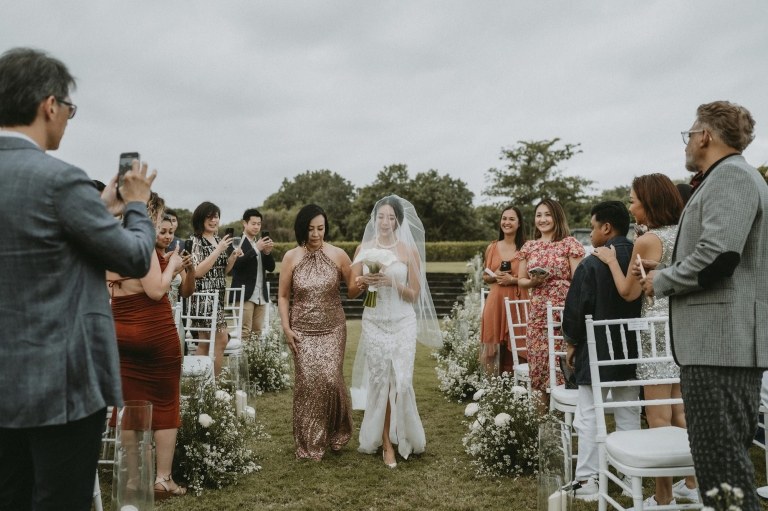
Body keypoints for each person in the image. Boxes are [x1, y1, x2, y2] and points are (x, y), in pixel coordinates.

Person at [0, 48, 156, 511]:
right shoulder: (60, 180)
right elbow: (132, 256)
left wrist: (99, 208)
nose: (68, 118)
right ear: (50, 105)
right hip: (60, 385)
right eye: (69, 108)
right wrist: (135, 205)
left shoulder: (58, 189)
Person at [639, 101, 768, 511]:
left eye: (690, 134)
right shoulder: (728, 177)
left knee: (722, 474)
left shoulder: (730, 177)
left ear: (706, 136)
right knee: (720, 468)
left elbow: (719, 256)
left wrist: (660, 280)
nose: (688, 143)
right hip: (717, 346)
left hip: (721, 347)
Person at [593, 174, 692, 508]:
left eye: (633, 200)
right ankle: (692, 484)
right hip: (682, 331)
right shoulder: (687, 232)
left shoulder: (648, 241)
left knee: (658, 416)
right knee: (680, 412)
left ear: (648, 203)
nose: (631, 205)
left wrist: (610, 262)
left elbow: (627, 291)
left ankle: (663, 497)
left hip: (655, 336)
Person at [349, 196, 442, 467]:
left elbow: (414, 295)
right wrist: (365, 282)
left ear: (398, 220)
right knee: (381, 381)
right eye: (381, 216)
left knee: (401, 381)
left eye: (390, 217)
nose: (385, 222)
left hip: (402, 320)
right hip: (374, 321)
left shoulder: (408, 252)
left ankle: (402, 433)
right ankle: (386, 443)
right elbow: (353, 292)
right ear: (374, 219)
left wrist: (391, 282)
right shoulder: (363, 248)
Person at [105, 194, 188, 499]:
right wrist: (174, 265)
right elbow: (156, 290)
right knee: (166, 403)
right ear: (151, 215)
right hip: (154, 332)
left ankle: (132, 478)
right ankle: (162, 479)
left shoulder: (109, 244)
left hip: (121, 332)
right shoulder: (142, 245)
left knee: (129, 405)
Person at [562, 201, 642, 500]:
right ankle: (628, 475)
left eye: (593, 227)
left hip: (598, 354)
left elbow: (576, 309)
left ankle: (587, 480)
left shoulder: (592, 261)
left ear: (606, 228)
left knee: (588, 416)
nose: (592, 234)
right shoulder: (641, 254)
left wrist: (571, 344)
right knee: (628, 413)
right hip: (632, 350)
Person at [278, 204, 360, 460]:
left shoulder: (339, 255)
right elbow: (282, 296)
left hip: (333, 327)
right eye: (311, 228)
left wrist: (366, 279)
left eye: (320, 228)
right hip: (301, 330)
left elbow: (353, 290)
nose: (316, 234)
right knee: (307, 385)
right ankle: (309, 441)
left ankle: (337, 432)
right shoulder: (291, 257)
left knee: (330, 380)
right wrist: (286, 328)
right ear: (302, 228)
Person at [517, 199, 585, 406]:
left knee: (565, 365)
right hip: (538, 313)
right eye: (538, 215)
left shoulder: (569, 244)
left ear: (557, 217)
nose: (542, 219)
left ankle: (569, 421)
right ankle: (542, 429)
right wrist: (533, 281)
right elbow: (521, 280)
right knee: (538, 368)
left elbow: (579, 281)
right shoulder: (529, 247)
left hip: (564, 312)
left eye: (547, 215)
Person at [189, 202, 242, 376]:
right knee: (220, 339)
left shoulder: (220, 240)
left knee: (205, 343)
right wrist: (218, 250)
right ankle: (213, 383)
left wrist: (232, 257)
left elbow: (222, 271)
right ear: (201, 219)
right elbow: (197, 272)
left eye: (216, 217)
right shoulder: (195, 241)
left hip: (218, 296)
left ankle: (202, 385)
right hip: (203, 298)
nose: (214, 221)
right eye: (209, 217)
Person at [480, 205, 529, 375]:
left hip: (518, 301)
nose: (506, 222)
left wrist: (512, 280)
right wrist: (496, 276)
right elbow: (485, 277)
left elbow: (532, 279)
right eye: (504, 218)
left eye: (511, 219)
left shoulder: (527, 248)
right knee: (493, 344)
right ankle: (494, 389)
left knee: (519, 343)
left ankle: (519, 387)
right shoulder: (491, 248)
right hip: (495, 302)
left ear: (519, 223)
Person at [228, 208, 275, 340]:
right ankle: (242, 362)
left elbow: (271, 268)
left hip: (261, 295)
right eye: (253, 223)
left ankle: (254, 361)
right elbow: (235, 265)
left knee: (257, 333)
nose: (256, 227)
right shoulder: (236, 241)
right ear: (245, 223)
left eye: (258, 224)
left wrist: (267, 252)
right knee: (244, 333)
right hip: (244, 295)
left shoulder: (261, 243)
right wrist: (255, 249)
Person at [156, 214, 195, 307]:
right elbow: (156, 289)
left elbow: (185, 293)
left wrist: (191, 270)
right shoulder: (148, 259)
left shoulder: (174, 258)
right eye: (162, 232)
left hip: (174, 316)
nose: (168, 236)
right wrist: (175, 270)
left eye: (170, 232)